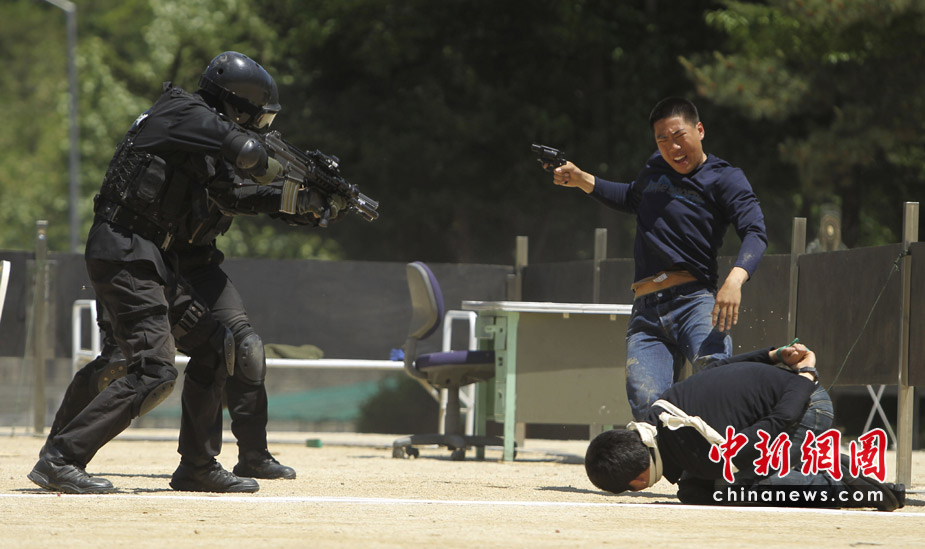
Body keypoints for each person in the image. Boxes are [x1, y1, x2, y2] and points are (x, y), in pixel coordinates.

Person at [29, 51, 330, 494]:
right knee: (152, 370)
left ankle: (198, 466)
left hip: (154, 259)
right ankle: (61, 458)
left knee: (216, 346)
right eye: (259, 118)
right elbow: (248, 153)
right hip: (125, 252)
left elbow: (233, 194)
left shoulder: (199, 138)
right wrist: (281, 165)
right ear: (235, 107)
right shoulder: (182, 110)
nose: (260, 128)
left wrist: (302, 201)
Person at [550, 97, 768, 420]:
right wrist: (581, 178)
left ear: (700, 130)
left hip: (695, 302)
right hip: (647, 312)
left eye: (679, 136)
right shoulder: (655, 168)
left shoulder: (725, 178)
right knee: (647, 404)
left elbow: (755, 232)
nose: (672, 148)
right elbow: (631, 197)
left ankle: (740, 442)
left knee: (716, 376)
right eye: (662, 139)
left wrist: (735, 280)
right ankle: (674, 451)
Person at [583, 341, 906, 511]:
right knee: (696, 491)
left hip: (806, 407)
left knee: (737, 488)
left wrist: (806, 376)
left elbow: (778, 422)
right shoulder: (661, 410)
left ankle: (843, 484)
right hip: (782, 400)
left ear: (638, 481)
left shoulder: (703, 454)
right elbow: (718, 368)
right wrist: (773, 354)